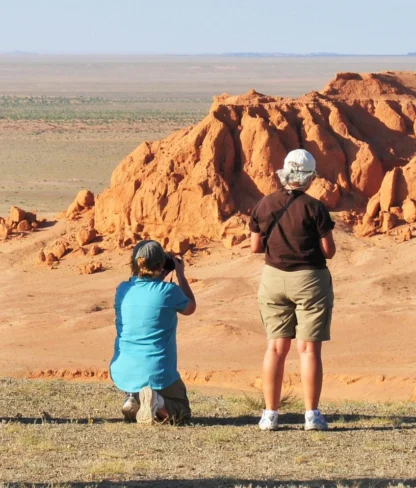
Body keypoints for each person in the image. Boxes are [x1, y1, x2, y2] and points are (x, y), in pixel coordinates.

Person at [250, 149, 336, 431]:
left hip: (273, 279)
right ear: (310, 177)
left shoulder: (263, 205)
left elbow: (255, 247)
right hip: (310, 279)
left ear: (284, 172)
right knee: (309, 350)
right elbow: (329, 251)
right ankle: (311, 416)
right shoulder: (315, 207)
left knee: (275, 348)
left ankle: (270, 415)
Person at [109, 240, 196, 424]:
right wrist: (180, 275)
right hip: (157, 371)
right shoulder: (169, 291)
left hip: (123, 371)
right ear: (161, 264)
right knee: (182, 412)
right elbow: (190, 307)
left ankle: (134, 397)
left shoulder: (122, 289)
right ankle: (156, 401)